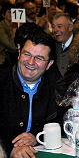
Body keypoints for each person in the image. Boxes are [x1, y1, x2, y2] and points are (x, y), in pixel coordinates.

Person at [0, 24, 59, 157]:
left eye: (39, 58)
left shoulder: (53, 84)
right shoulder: (2, 80)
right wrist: (10, 149)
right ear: (19, 52)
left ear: (49, 64)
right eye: (27, 54)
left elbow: (59, 119)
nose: (31, 62)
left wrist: (35, 136)